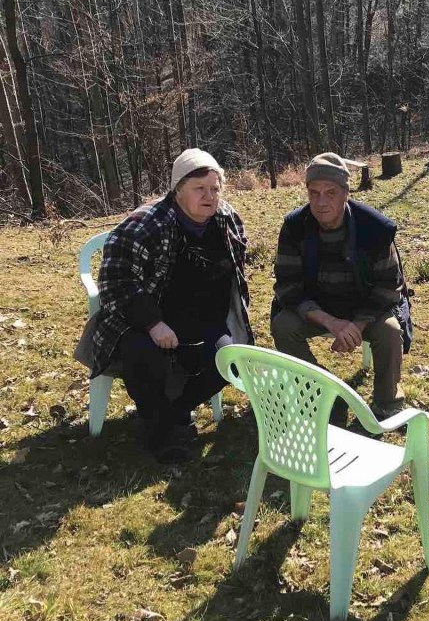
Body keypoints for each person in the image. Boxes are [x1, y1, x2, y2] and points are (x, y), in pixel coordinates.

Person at [76, 148, 253, 462]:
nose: (209, 196)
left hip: (205, 322)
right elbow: (116, 282)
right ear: (178, 190)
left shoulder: (228, 220)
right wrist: (153, 323)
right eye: (200, 189)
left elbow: (236, 279)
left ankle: (169, 415)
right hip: (145, 321)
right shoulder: (146, 223)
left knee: (232, 359)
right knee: (140, 353)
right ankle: (164, 432)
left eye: (215, 188)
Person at [271, 152, 409, 419]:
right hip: (317, 306)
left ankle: (387, 402)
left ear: (346, 193)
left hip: (365, 306)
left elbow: (389, 287)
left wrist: (356, 325)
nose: (321, 202)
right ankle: (322, 391)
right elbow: (287, 287)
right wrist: (331, 323)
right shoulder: (294, 227)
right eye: (314, 193)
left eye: (330, 193)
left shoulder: (374, 229)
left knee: (390, 332)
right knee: (283, 326)